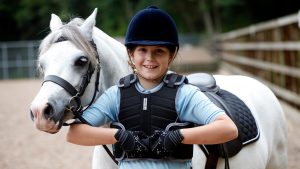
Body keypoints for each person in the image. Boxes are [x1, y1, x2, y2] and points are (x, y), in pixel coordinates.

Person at [67, 6, 238, 169]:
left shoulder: (185, 94)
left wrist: (178, 136)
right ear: (131, 54)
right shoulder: (116, 95)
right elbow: (75, 133)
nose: (150, 58)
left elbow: (228, 129)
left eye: (159, 51)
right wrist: (120, 136)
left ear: (172, 55)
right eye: (142, 50)